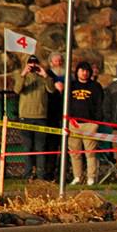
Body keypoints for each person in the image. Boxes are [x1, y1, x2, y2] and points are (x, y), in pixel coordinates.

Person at [14, 55, 55, 180]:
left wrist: (45, 75)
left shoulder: (44, 77)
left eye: (35, 62)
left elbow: (51, 90)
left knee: (40, 148)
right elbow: (17, 90)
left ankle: (41, 176)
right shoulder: (21, 76)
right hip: (25, 117)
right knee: (28, 148)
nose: (32, 65)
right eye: (30, 62)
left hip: (40, 117)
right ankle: (27, 175)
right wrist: (24, 74)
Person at [67, 61, 104, 185]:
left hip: (90, 124)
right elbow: (65, 103)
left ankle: (91, 177)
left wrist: (96, 123)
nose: (84, 73)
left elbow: (100, 105)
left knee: (90, 153)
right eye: (82, 70)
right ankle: (77, 176)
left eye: (87, 71)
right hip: (73, 123)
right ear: (77, 72)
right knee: (74, 152)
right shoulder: (71, 86)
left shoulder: (95, 86)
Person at [43, 52, 66, 181]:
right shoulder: (47, 76)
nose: (59, 63)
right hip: (50, 117)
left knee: (63, 147)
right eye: (56, 61)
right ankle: (48, 173)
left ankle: (62, 173)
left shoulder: (69, 77)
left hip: (65, 117)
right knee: (49, 146)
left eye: (60, 61)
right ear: (51, 63)